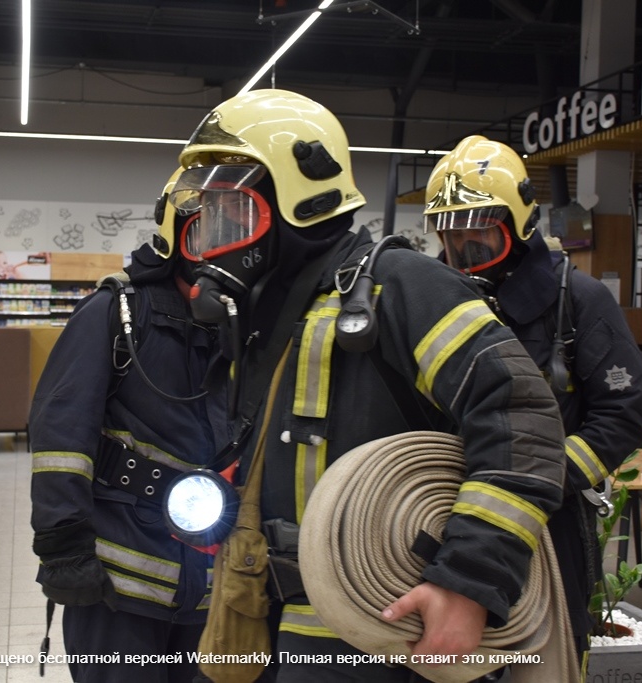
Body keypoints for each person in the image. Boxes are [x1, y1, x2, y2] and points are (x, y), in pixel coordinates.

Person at [169, 89, 567, 682]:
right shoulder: (265, 312)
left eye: (236, 210)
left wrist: (469, 582)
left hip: (382, 632)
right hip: (268, 618)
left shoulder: (403, 286)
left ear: (300, 198)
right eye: (211, 216)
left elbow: (525, 419)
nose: (220, 235)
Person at [422, 135, 642, 673]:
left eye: (479, 227)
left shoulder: (578, 301)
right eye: (450, 231)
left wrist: (544, 480)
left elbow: (624, 410)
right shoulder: (431, 300)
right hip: (444, 511)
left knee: (545, 659)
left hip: (549, 522)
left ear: (518, 222)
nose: (462, 245)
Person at [29, 170, 228, 683]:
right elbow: (59, 436)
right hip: (117, 589)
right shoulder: (116, 313)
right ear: (175, 235)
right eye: (207, 232)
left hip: (215, 591)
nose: (221, 250)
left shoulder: (247, 333)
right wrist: (64, 550)